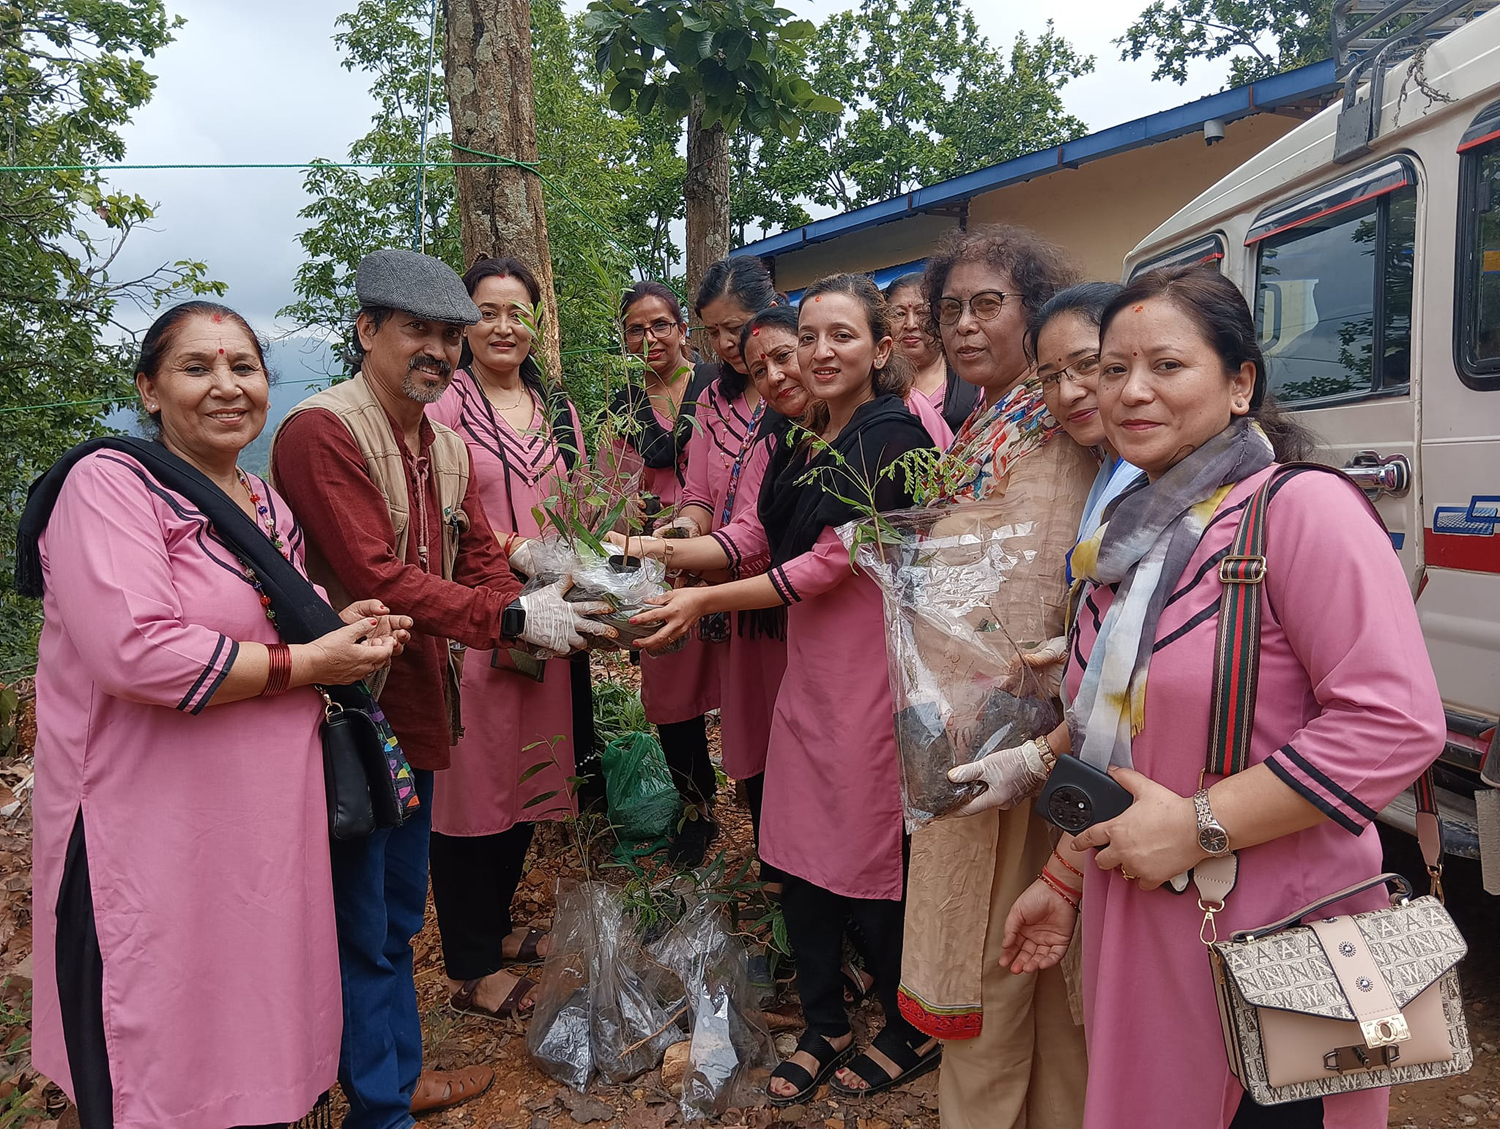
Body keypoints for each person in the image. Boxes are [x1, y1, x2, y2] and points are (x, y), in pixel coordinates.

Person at [997, 266, 1445, 1129]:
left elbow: (1395, 719)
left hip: (1295, 934)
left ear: (1240, 382)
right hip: (1150, 929)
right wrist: (1063, 874)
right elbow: (1109, 738)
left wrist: (1199, 821)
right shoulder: (1123, 549)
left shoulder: (1301, 511)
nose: (1130, 391)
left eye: (1167, 365)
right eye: (1110, 367)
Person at [21, 301, 411, 1129]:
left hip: (263, 822)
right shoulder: (109, 487)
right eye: (197, 368)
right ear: (150, 390)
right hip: (147, 823)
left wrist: (348, 630)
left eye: (245, 367)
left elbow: (269, 621)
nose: (227, 386)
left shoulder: (264, 505)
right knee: (155, 1024)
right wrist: (311, 662)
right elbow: (137, 648)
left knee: (250, 1008)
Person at [272, 249, 612, 1129]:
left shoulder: (445, 445)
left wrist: (530, 592)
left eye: (447, 335)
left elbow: (474, 561)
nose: (437, 349)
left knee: (391, 915)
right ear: (366, 331)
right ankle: (374, 1102)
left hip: (418, 704)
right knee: (361, 917)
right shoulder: (324, 433)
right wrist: (506, 620)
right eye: (415, 329)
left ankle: (392, 1076)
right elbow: (373, 570)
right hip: (343, 712)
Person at [628, 273, 944, 1106]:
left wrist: (703, 598)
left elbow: (824, 566)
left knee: (865, 849)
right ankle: (828, 1019)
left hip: (869, 675)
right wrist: (652, 550)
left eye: (842, 335)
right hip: (810, 674)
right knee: (795, 843)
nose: (817, 352)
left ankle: (911, 1025)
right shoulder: (805, 436)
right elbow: (760, 535)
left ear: (882, 349)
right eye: (808, 336)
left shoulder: (890, 436)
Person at [896, 225, 1094, 1129]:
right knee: (1040, 964)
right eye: (951, 309)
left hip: (1004, 729)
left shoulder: (1043, 428)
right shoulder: (994, 417)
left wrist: (972, 714)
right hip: (985, 714)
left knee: (997, 954)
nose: (966, 326)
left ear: (1031, 308)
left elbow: (1025, 593)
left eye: (989, 304)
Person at [424, 256, 589, 1021]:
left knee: (529, 772)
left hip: (551, 615)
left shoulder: (553, 409)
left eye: (516, 312)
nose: (502, 326)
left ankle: (493, 926)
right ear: (464, 322)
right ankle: (471, 963)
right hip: (478, 619)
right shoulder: (444, 406)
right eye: (485, 311)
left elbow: (581, 499)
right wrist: (514, 548)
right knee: (471, 786)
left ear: (536, 321)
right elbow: (440, 507)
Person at [608, 281, 725, 866]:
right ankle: (698, 811)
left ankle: (770, 821)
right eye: (636, 328)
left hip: (721, 558)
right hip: (657, 565)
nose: (649, 338)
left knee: (744, 689)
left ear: (683, 329)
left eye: (660, 325)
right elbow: (617, 487)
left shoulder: (715, 389)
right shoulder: (623, 406)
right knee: (672, 697)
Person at [1028, 282, 1144, 557]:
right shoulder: (1109, 471)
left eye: (1087, 364)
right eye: (1050, 378)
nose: (1067, 394)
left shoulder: (1161, 480)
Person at [885, 272, 979, 431]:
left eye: (922, 312)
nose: (911, 324)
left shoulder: (975, 382)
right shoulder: (875, 387)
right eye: (899, 314)